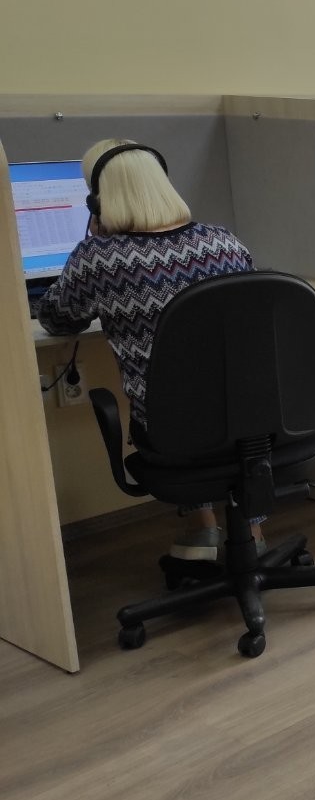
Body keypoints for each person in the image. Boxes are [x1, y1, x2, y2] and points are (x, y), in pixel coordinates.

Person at [36, 139, 256, 562]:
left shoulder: (99, 258)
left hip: (171, 430)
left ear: (98, 201)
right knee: (214, 390)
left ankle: (204, 531)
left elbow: (57, 319)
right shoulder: (222, 241)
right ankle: (253, 532)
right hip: (254, 415)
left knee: (178, 403)